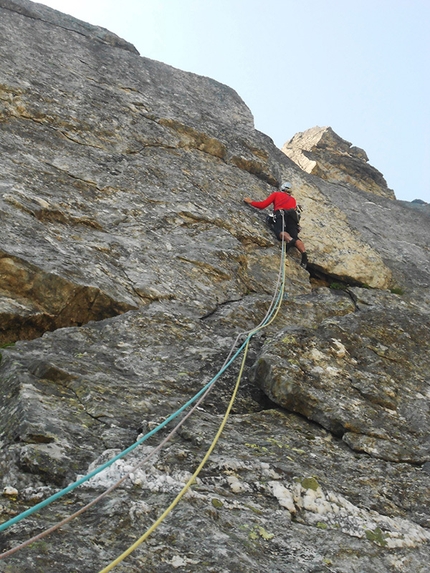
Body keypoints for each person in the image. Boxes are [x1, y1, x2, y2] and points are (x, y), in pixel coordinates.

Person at [244, 182, 308, 268]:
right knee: (296, 237)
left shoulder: (276, 194)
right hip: (292, 219)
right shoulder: (293, 200)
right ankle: (304, 256)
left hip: (281, 214)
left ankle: (290, 240)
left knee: (280, 231)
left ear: (282, 189)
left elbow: (262, 205)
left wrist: (251, 202)